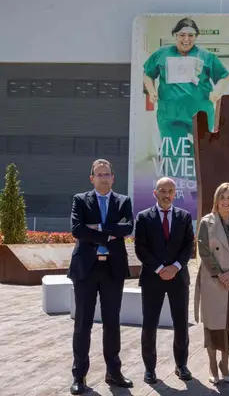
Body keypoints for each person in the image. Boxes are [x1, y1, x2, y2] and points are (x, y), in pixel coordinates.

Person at [68, 159, 135, 395]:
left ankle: (113, 373)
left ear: (113, 177)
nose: (104, 178)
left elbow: (127, 227)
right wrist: (109, 234)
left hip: (112, 269)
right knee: (82, 324)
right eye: (99, 174)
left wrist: (96, 229)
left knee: (112, 322)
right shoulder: (80, 200)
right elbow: (77, 229)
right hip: (86, 270)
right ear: (92, 178)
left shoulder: (123, 201)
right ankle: (79, 376)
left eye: (107, 174)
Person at [143, 17, 229, 168]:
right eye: (182, 34)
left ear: (196, 37)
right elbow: (148, 74)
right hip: (170, 114)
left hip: (200, 113)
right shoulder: (161, 54)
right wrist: (151, 92)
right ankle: (174, 187)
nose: (186, 39)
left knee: (202, 150)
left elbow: (224, 76)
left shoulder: (206, 56)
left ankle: (200, 186)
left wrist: (217, 92)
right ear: (175, 35)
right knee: (173, 152)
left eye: (191, 35)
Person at [133, 177, 195, 384]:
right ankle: (150, 369)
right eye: (163, 190)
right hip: (153, 278)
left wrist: (175, 267)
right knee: (149, 325)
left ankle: (181, 365)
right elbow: (140, 248)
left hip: (178, 278)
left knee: (181, 325)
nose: (167, 194)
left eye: (170, 191)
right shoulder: (143, 217)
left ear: (175, 193)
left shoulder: (185, 217)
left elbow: (189, 246)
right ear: (155, 193)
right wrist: (160, 269)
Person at [194, 182, 229, 384]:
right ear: (216, 200)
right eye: (222, 197)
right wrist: (220, 274)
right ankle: (212, 364)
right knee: (214, 323)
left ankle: (224, 364)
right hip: (213, 280)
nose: (226, 201)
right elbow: (204, 251)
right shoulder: (206, 222)